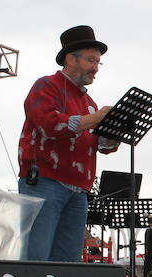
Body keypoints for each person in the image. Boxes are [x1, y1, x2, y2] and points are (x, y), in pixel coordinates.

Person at [17, 25, 119, 261]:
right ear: (71, 58)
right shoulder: (46, 86)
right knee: (36, 257)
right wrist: (95, 118)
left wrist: (113, 134)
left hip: (78, 191)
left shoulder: (90, 102)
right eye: (91, 60)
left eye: (98, 62)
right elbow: (49, 124)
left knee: (69, 262)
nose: (95, 68)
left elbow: (99, 145)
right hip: (43, 181)